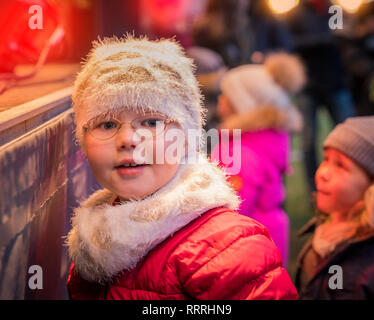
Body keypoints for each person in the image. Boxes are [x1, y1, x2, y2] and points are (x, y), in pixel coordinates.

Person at [65, 35, 298, 300]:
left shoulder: (228, 250)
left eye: (151, 123)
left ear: (186, 136)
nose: (127, 139)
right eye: (106, 124)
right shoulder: (93, 242)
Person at [210, 53, 306, 268]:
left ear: (243, 103)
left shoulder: (238, 153)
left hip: (245, 246)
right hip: (268, 233)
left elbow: (231, 211)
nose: (220, 99)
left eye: (227, 95)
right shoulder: (267, 139)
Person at [295, 116, 374, 299]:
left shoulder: (369, 264)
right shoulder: (322, 229)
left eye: (340, 165)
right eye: (326, 159)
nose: (322, 173)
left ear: (371, 185)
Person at [286, 0, 355, 194]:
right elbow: (291, 43)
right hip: (309, 86)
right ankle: (314, 190)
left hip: (335, 82)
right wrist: (327, 39)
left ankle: (349, 182)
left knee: (348, 137)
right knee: (309, 141)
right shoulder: (296, 13)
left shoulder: (335, 10)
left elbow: (345, 37)